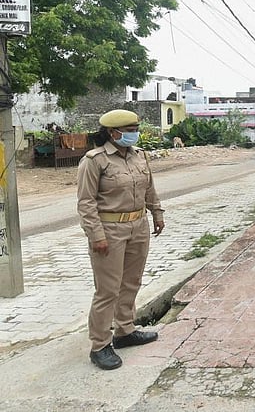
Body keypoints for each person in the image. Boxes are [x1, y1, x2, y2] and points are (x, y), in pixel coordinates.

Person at [76, 109, 166, 370]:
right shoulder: (94, 161)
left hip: (139, 226)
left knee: (131, 282)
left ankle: (125, 331)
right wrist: (96, 235)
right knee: (107, 290)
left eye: (134, 129)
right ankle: (100, 345)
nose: (133, 134)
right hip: (110, 231)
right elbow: (86, 203)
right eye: (128, 131)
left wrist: (157, 213)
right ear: (112, 133)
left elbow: (149, 187)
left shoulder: (139, 156)